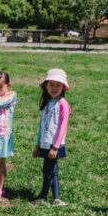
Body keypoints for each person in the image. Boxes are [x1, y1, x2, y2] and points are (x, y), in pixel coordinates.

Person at [32, 69, 71, 206]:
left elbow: (62, 128)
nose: (54, 88)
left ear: (63, 87)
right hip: (45, 143)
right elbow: (41, 127)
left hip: (54, 145)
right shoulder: (47, 104)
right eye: (51, 85)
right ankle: (56, 199)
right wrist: (37, 145)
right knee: (51, 171)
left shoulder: (62, 104)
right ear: (46, 86)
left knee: (48, 170)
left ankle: (43, 196)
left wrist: (55, 147)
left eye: (58, 85)